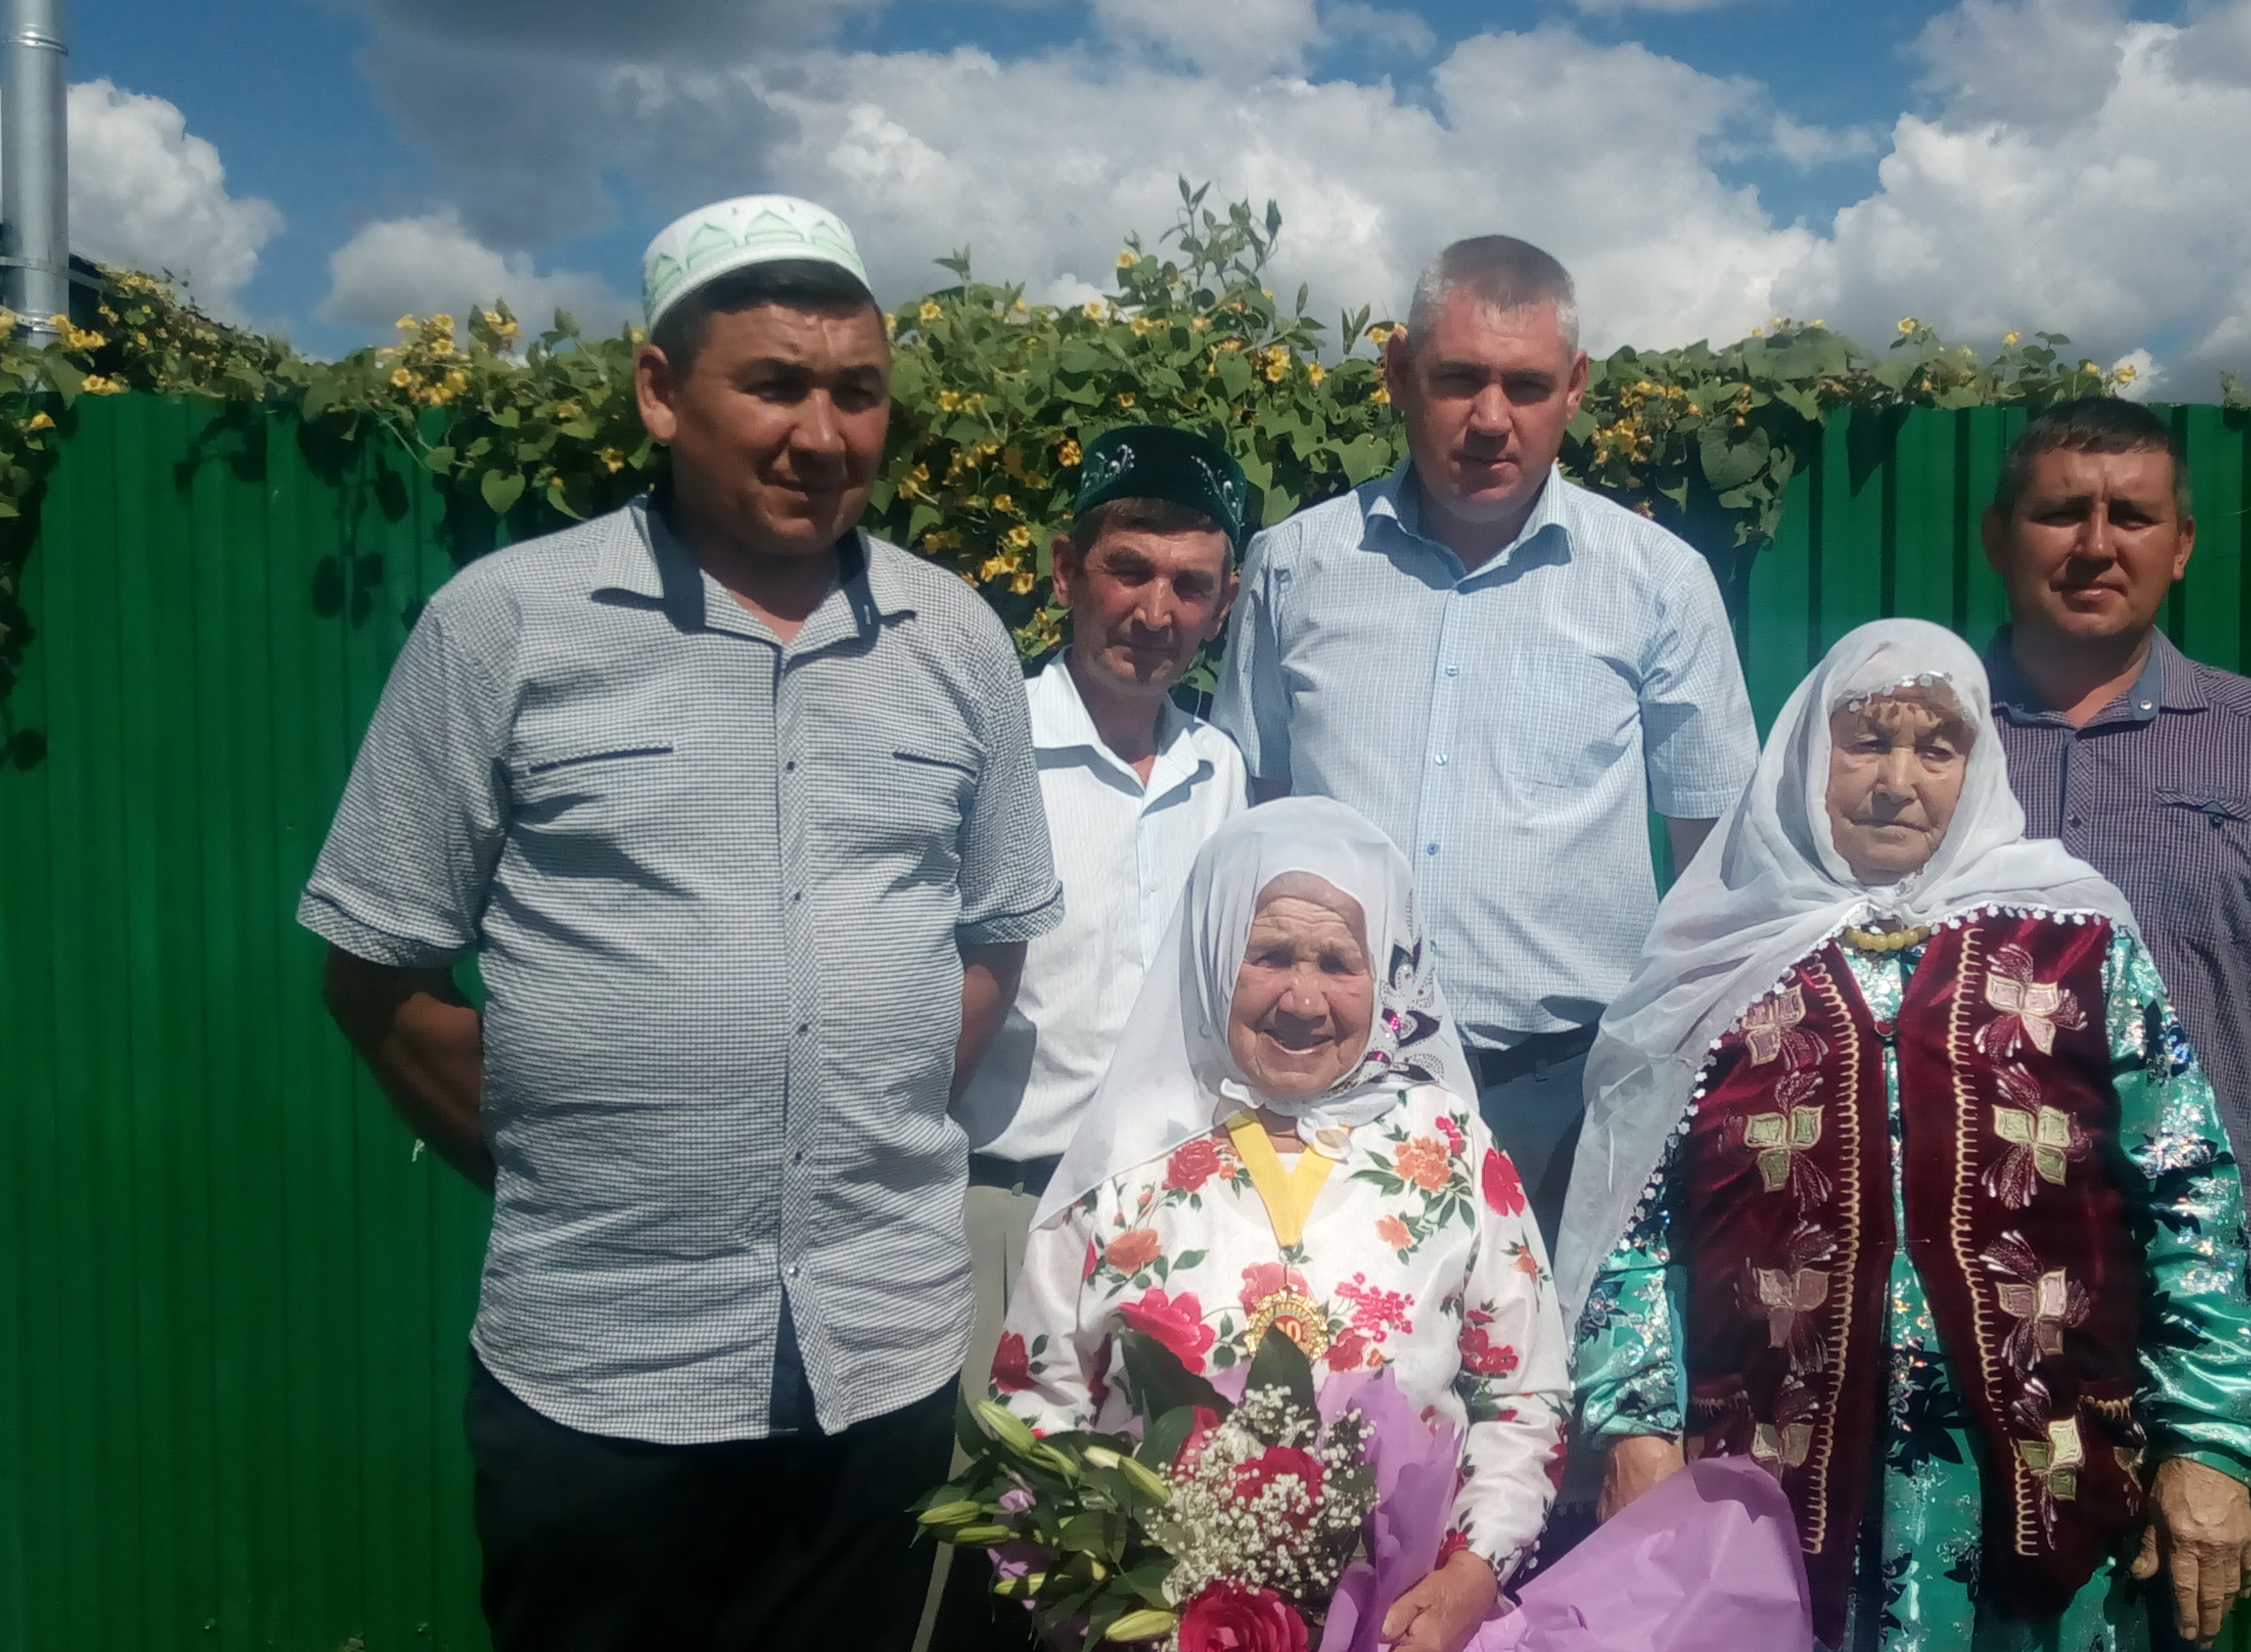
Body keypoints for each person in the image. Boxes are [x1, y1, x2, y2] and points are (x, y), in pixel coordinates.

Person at [297, 194, 1062, 1652]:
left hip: (880, 1352)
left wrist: (854, 1112)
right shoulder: (506, 626)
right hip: (604, 1368)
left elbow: (990, 935)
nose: (821, 433)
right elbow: (376, 965)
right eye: (772, 384)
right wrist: (570, 1150)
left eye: (855, 392)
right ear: (661, 390)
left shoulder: (953, 638)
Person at [1560, 620, 2251, 1650]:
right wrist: (1632, 1430)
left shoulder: (2078, 945)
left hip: (2042, 1499)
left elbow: (2190, 1196)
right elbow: (1631, 1223)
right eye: (1866, 743)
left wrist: (2207, 1445)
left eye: (1938, 747)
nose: (1898, 779)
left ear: (1977, 766)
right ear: (1808, 754)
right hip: (1758, 1501)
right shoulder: (1714, 963)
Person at [1214, 235, 1757, 1241]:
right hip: (1324, 1086)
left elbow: (1716, 870)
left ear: (1576, 387)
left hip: (1562, 1094)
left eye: (1527, 384)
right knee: (1328, 1389)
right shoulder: (1295, 567)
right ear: (1397, 375)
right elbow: (1249, 819)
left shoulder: (1658, 584)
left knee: (1544, 1392)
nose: (1490, 420)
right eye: (1458, 379)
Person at [998, 798, 1568, 1652]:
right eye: (1268, 956)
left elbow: (1523, 1395)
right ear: (1212, 955)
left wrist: (1472, 1571)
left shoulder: (1447, 1145)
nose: (1303, 999)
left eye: (1340, 962)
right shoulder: (1122, 1159)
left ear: (1387, 975)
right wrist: (1103, 1599)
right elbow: (1036, 1404)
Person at [1978, 397, 2251, 1343]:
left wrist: (2205, 1104)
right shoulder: (1908, 741)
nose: (2095, 545)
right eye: (2060, 513)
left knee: (2184, 1501)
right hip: (1949, 1269)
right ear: (1996, 537)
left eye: (2131, 518)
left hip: (2188, 1274)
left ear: (2179, 546)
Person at [930, 426, 1250, 1646]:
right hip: (992, 1218)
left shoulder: (1227, 776)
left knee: (1133, 1565)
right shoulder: (983, 749)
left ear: (1220, 609)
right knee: (967, 1558)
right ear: (1065, 567)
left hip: (1165, 1227)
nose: (1154, 608)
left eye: (1190, 584)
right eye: (1128, 568)